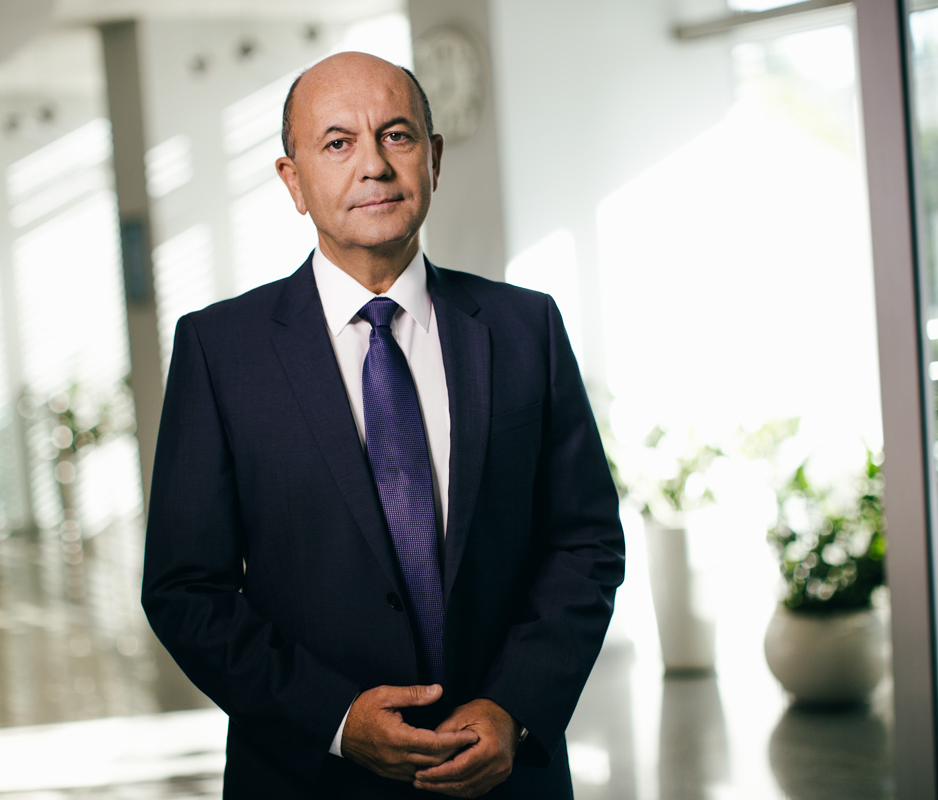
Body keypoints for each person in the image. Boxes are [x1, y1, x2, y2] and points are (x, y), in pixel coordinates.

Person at [142, 51, 625, 799]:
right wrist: (334, 718)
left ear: (434, 159)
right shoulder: (220, 350)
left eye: (397, 135)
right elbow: (185, 590)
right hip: (308, 777)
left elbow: (584, 542)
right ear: (293, 181)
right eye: (337, 143)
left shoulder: (524, 328)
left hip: (503, 777)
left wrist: (515, 707)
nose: (373, 164)